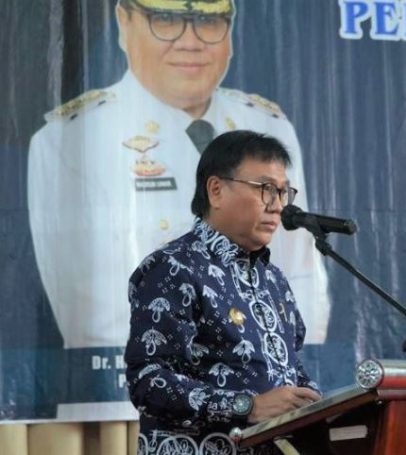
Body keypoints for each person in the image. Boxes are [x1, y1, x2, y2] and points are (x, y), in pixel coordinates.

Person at [27, 0, 329, 349]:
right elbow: (93, 312)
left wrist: (273, 363)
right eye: (166, 20)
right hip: (147, 372)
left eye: (208, 21)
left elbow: (300, 277)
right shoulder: (71, 139)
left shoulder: (268, 126)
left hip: (261, 372)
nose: (191, 41)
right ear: (125, 22)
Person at [126, 130, 322, 454]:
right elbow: (148, 380)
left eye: (283, 192)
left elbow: (292, 371)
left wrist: (318, 404)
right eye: (265, 189)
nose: (278, 206)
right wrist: (247, 406)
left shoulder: (273, 280)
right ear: (216, 190)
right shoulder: (173, 267)